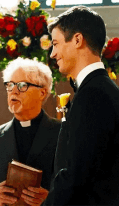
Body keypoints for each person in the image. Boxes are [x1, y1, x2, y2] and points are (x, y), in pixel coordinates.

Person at [44, 6, 119, 205]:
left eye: (56, 43)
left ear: (77, 40)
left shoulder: (94, 94)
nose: (53, 53)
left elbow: (77, 175)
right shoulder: (100, 88)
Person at [0, 57, 61, 206]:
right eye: (10, 85)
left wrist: (51, 200)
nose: (13, 91)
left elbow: (79, 190)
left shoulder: (63, 133)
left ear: (42, 92)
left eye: (21, 85)